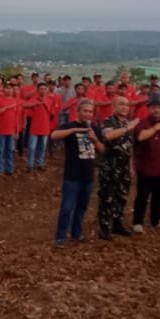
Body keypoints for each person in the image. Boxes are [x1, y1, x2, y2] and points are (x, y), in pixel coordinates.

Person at [50, 98, 104, 248]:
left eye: (90, 111)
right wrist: (73, 131)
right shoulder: (70, 126)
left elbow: (103, 150)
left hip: (88, 175)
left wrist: (95, 140)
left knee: (82, 206)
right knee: (67, 207)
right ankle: (60, 237)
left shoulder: (95, 128)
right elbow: (53, 135)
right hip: (72, 175)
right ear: (78, 111)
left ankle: (76, 233)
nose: (88, 114)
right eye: (85, 111)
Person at [98, 96, 140, 240]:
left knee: (121, 196)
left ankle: (117, 223)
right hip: (110, 167)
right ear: (114, 106)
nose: (125, 107)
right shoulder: (109, 121)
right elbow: (108, 136)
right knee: (107, 197)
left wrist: (131, 166)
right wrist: (128, 128)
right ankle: (104, 226)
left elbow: (130, 147)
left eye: (127, 105)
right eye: (121, 104)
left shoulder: (128, 123)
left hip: (124, 167)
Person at [132, 99, 160, 233]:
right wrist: (155, 128)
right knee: (143, 196)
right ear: (149, 109)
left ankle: (157, 220)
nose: (157, 110)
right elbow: (141, 137)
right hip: (146, 167)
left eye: (159, 107)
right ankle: (138, 222)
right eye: (154, 107)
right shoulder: (142, 123)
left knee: (159, 196)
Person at [0, 81, 20, 175]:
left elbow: (16, 118)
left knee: (10, 150)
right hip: (1, 129)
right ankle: (0, 168)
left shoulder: (14, 100)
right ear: (3, 89)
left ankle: (9, 168)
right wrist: (6, 108)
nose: (9, 90)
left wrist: (17, 131)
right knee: (0, 150)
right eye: (7, 88)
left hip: (11, 130)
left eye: (11, 88)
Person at [25, 81, 53, 171]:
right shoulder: (34, 99)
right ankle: (30, 165)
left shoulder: (49, 99)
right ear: (38, 90)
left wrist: (44, 103)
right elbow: (25, 105)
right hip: (35, 127)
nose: (43, 91)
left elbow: (52, 113)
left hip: (45, 127)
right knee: (32, 147)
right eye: (41, 89)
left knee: (42, 147)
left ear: (47, 90)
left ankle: (40, 163)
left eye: (45, 89)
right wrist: (34, 104)